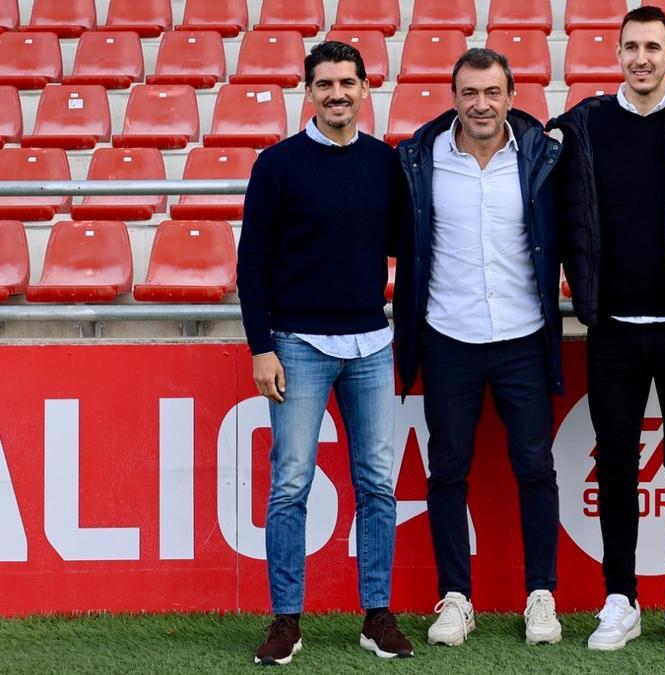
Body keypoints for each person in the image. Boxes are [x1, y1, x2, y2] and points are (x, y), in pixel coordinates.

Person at [549, 5, 665, 652]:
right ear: (617, 53)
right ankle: (620, 597)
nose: (642, 58)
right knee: (616, 469)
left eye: (653, 47)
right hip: (611, 330)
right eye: (631, 47)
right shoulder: (585, 127)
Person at [236, 41, 412, 665]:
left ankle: (377, 615)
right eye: (325, 83)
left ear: (366, 88)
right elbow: (251, 262)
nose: (337, 93)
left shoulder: (385, 163)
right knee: (290, 484)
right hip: (298, 344)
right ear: (307, 91)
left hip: (370, 341)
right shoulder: (277, 164)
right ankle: (286, 621)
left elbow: (406, 245)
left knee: (376, 485)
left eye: (347, 82)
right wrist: (263, 347)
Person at [393, 48, 565, 647]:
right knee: (447, 473)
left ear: (511, 96)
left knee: (536, 470)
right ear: (454, 97)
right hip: (449, 337)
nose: (481, 104)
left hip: (523, 335)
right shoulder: (422, 158)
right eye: (469, 92)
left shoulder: (542, 155)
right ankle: (456, 599)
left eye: (492, 92)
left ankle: (540, 596)